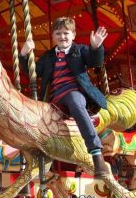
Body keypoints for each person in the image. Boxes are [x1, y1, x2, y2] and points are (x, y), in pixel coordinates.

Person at [20, 17, 111, 180]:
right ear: (53, 36)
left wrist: (96, 47)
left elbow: (94, 61)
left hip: (74, 93)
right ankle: (40, 160)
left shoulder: (79, 50)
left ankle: (96, 153)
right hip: (55, 98)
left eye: (66, 33)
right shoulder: (49, 57)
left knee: (75, 101)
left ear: (73, 35)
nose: (62, 36)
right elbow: (34, 72)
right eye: (58, 33)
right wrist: (24, 54)